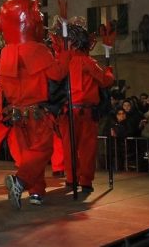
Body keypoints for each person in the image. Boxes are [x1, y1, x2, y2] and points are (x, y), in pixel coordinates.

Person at [0, 0, 70, 208]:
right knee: (42, 150)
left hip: (16, 115)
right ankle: (20, 181)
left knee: (28, 154)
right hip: (37, 113)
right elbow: (58, 73)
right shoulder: (37, 50)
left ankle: (36, 192)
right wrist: (64, 52)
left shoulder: (5, 53)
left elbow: (3, 90)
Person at [51, 17, 114, 193]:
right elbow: (106, 81)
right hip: (86, 112)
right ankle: (85, 180)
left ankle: (72, 179)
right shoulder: (88, 62)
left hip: (68, 111)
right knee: (87, 148)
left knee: (69, 147)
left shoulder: (63, 61)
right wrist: (109, 69)